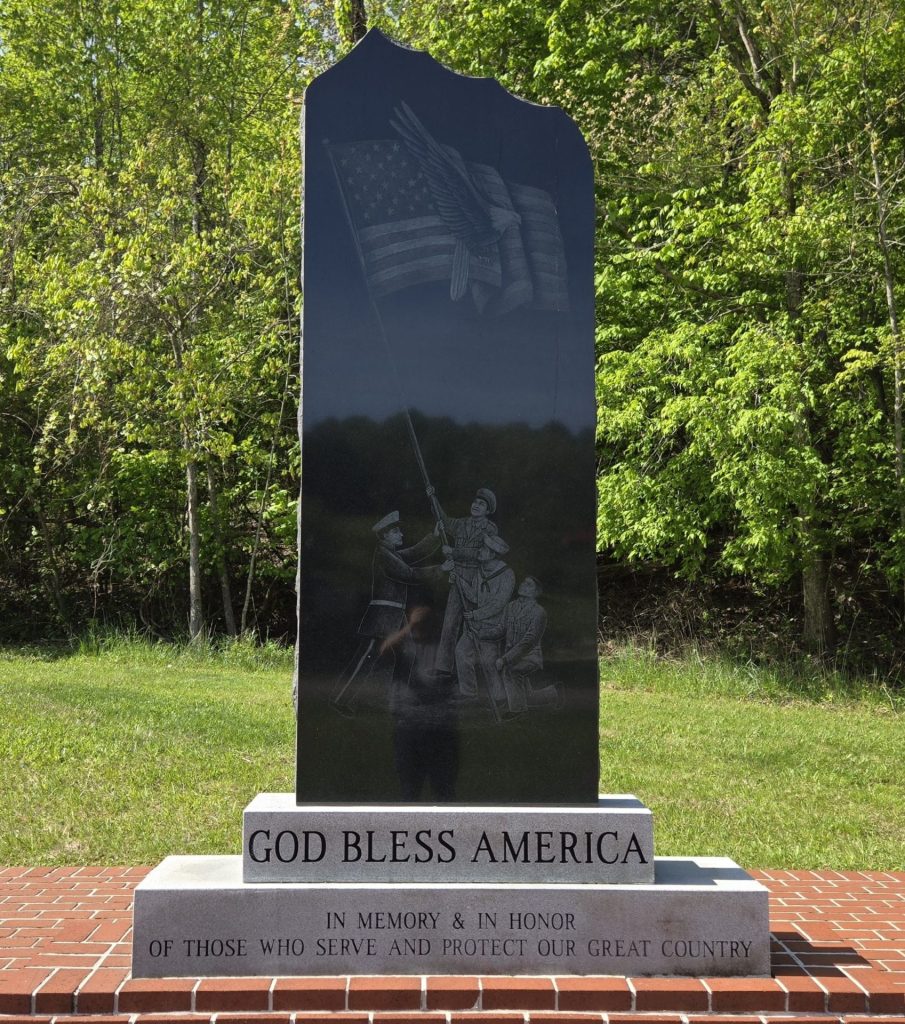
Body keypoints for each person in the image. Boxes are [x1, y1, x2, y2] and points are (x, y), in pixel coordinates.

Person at [332, 511, 440, 714]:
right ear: (385, 535)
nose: (401, 534)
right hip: (382, 617)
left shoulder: (392, 553)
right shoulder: (384, 554)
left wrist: (434, 535)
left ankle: (395, 701)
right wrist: (441, 569)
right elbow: (408, 573)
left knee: (405, 656)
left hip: (394, 618)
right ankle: (341, 699)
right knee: (367, 659)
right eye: (396, 531)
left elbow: (415, 553)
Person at [427, 486, 499, 676]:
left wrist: (454, 552)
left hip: (477, 581)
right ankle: (443, 668)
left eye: (482, 504)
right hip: (457, 577)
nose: (476, 505)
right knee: (450, 622)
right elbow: (443, 520)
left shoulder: (491, 529)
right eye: (475, 501)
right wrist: (433, 497)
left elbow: (483, 554)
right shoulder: (461, 523)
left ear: (488, 510)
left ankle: (481, 670)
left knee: (474, 625)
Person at [452, 532, 515, 708]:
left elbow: (498, 604)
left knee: (489, 662)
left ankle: (500, 699)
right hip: (474, 625)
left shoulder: (507, 574)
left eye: (483, 549)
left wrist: (475, 615)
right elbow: (473, 596)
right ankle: (468, 692)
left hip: (492, 626)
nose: (480, 551)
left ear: (493, 554)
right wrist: (460, 582)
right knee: (461, 652)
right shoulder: (480, 571)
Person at [495, 576, 559, 712]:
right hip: (512, 657)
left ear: (536, 593)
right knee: (527, 696)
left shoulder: (539, 612)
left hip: (529, 657)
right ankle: (554, 693)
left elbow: (529, 641)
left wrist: (505, 659)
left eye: (528, 584)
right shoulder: (511, 607)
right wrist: (480, 632)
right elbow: (500, 629)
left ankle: (517, 711)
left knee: (510, 671)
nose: (523, 584)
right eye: (523, 582)